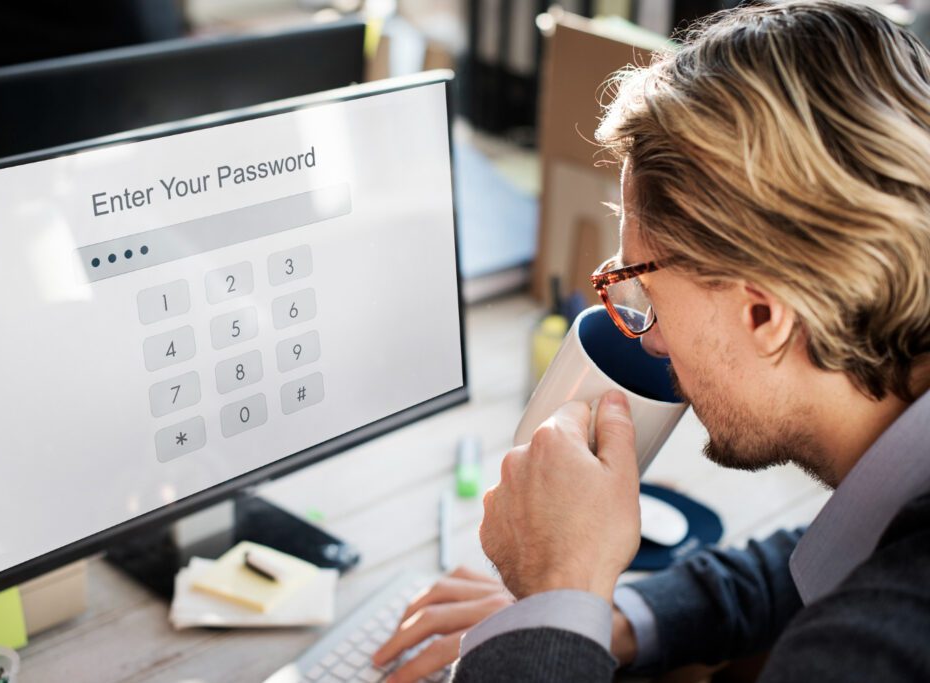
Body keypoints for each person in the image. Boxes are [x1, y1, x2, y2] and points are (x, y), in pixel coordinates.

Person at [373, 1, 930, 680]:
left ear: (764, 315)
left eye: (642, 289)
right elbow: (829, 557)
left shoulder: (879, 651)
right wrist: (603, 617)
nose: (649, 337)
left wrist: (557, 589)